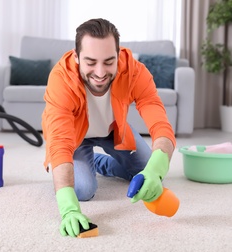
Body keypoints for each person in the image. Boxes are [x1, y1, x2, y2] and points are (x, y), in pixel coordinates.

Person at [41, 18, 176, 238]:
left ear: (119, 54)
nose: (101, 72)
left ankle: (101, 163)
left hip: (112, 130)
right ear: (76, 57)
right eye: (91, 62)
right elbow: (59, 142)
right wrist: (69, 209)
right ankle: (83, 163)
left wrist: (157, 168)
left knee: (148, 171)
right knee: (82, 190)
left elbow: (160, 124)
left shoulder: (135, 71)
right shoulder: (61, 79)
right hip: (75, 137)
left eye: (109, 61)